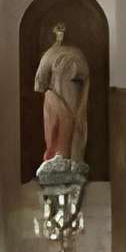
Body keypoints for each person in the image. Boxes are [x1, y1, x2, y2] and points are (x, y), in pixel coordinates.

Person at [33, 22, 91, 172]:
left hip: (72, 95)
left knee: (73, 125)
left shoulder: (76, 53)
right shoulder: (49, 54)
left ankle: (72, 158)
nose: (61, 33)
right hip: (55, 97)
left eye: (63, 30)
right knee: (57, 129)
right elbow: (40, 83)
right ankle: (58, 158)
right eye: (58, 30)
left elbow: (85, 78)